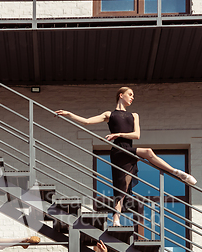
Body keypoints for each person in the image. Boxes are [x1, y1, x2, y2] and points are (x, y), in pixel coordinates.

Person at [55, 87, 196, 226]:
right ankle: (116, 219)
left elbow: (137, 135)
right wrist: (68, 113)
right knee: (121, 187)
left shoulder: (134, 115)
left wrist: (119, 134)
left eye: (133, 95)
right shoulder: (109, 115)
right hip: (117, 151)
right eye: (130, 94)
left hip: (128, 149)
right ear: (121, 95)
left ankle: (177, 172)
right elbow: (86, 121)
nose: (132, 97)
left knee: (147, 152)